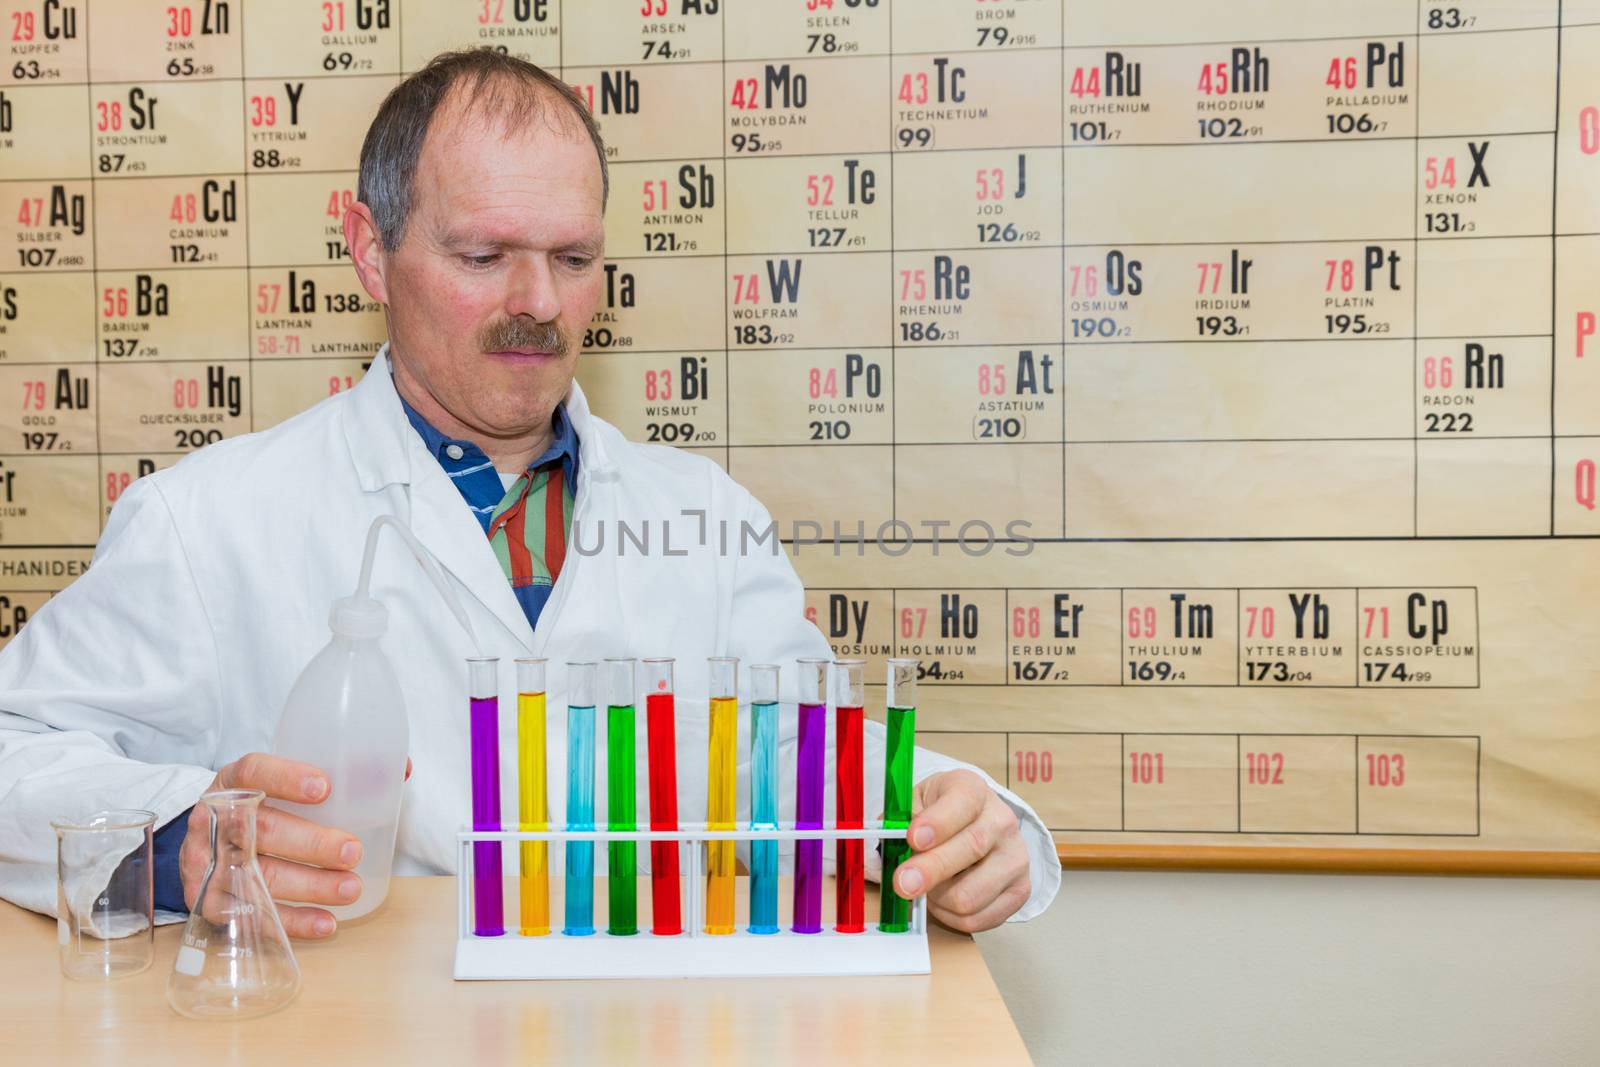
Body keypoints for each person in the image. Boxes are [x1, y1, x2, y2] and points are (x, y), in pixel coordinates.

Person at [0, 50, 1059, 939]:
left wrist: (960, 820)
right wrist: (181, 837)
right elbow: (14, 747)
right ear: (371, 250)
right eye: (482, 254)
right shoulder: (208, 521)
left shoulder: (709, 519)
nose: (537, 304)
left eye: (573, 256)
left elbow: (817, 756)